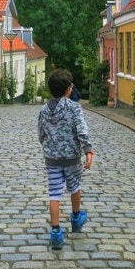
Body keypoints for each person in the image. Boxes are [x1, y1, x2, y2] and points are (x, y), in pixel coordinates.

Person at [37, 68, 94, 250]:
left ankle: (55, 232)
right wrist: (88, 150)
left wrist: (48, 146)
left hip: (52, 159)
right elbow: (81, 130)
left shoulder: (44, 110)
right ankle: (76, 218)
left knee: (54, 194)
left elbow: (41, 134)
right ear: (69, 89)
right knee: (74, 187)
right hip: (71, 158)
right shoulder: (74, 108)